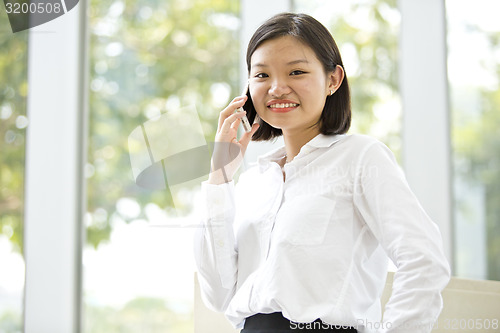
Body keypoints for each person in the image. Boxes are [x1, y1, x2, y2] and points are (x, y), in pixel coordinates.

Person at [193, 12, 450, 333]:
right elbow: (219, 296)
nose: (276, 88)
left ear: (333, 80)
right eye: (261, 76)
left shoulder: (360, 158)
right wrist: (220, 177)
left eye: (296, 72)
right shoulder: (253, 182)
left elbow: (424, 260)